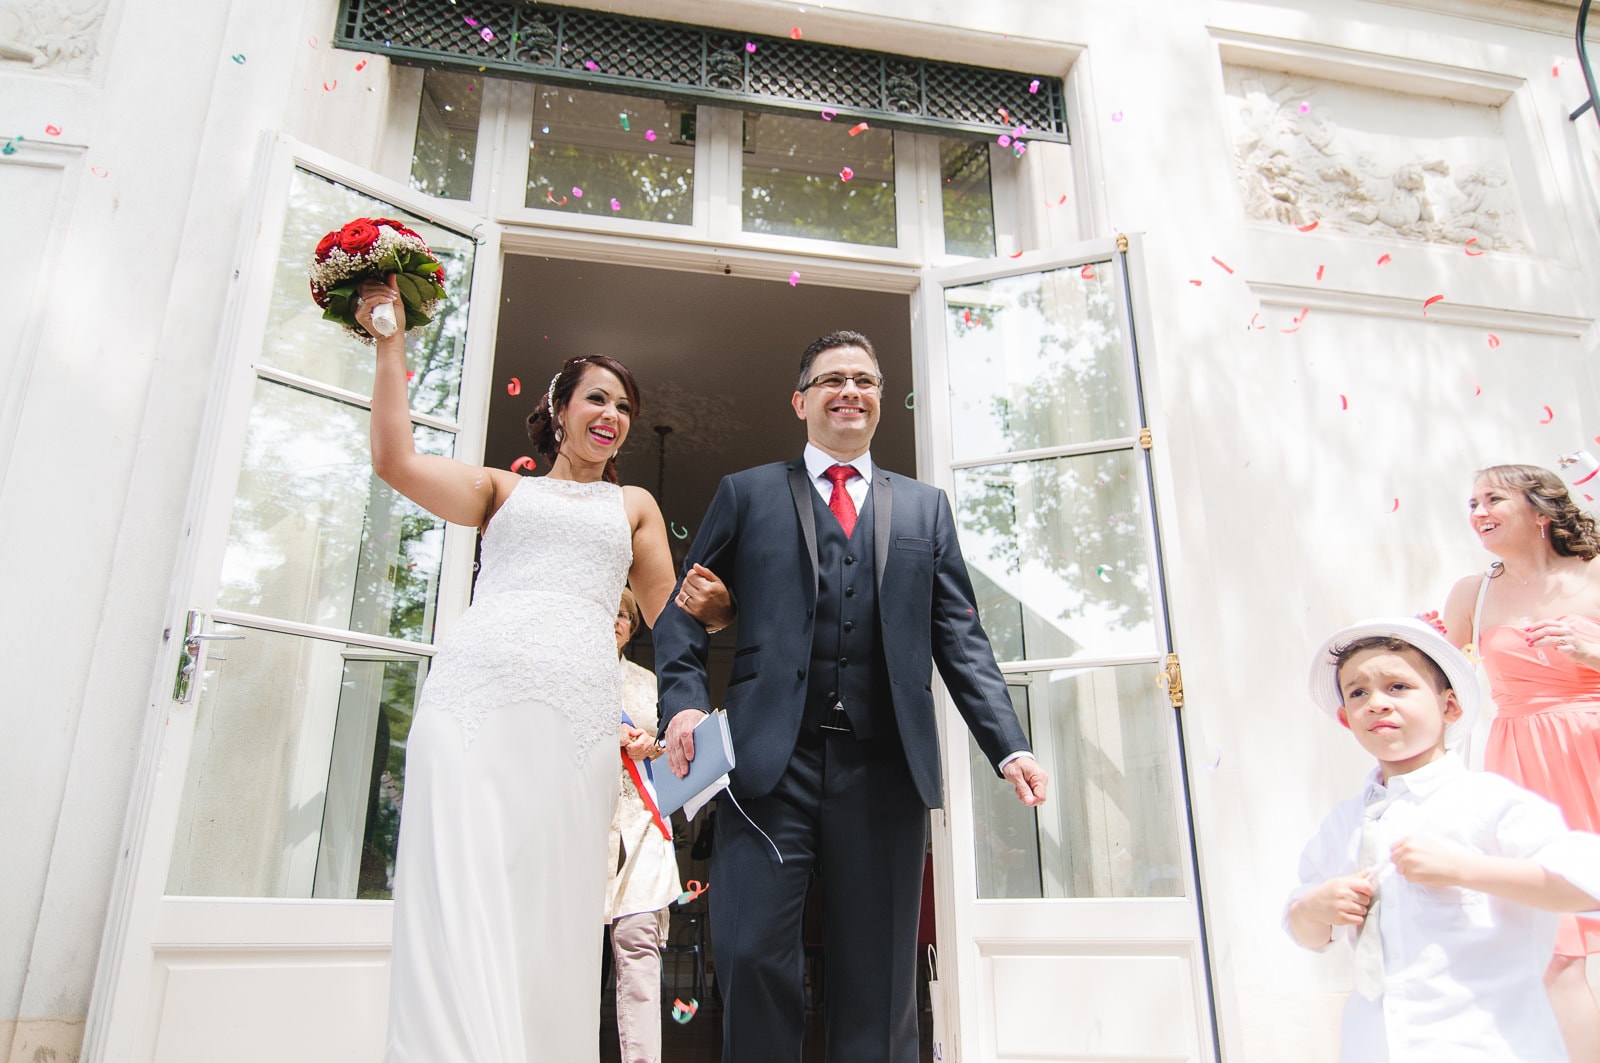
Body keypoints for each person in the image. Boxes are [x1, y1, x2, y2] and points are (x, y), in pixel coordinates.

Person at [351, 279, 729, 1062]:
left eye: (623, 405)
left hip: (574, 724)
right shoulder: (499, 489)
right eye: (597, 397)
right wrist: (391, 341)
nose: (613, 415)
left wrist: (722, 609)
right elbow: (393, 459)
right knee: (457, 885)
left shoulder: (636, 507)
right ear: (560, 409)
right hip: (472, 702)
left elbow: (678, 619)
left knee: (551, 903)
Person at [652, 329, 1050, 1063]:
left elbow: (960, 637)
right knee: (747, 953)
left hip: (883, 770)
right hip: (770, 767)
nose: (851, 391)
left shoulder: (926, 510)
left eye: (866, 380)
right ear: (801, 400)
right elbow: (681, 613)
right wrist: (680, 702)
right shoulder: (747, 493)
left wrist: (1010, 743)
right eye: (833, 378)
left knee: (880, 978)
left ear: (878, 403)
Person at [1287, 617, 1600, 1063]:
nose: (1377, 703)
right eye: (1358, 693)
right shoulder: (1344, 822)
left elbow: (1587, 881)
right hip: (1375, 1043)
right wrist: (1315, 907)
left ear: (1450, 707)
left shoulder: (1491, 803)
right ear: (1345, 718)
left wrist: (1466, 871)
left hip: (1487, 1043)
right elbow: (1308, 932)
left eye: (1398, 687)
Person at [1441, 463, 1600, 1060]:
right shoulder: (1471, 593)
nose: (1478, 511)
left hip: (1594, 746)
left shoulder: (1596, 574)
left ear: (1541, 512)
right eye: (1472, 501)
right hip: (1524, 769)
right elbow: (1436, 680)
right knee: (1554, 947)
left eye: (1494, 499)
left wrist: (1592, 652)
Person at [608, 587, 681, 1063]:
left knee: (638, 948)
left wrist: (650, 744)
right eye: (608, 611)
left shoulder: (647, 682)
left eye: (625, 615)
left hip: (639, 829)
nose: (616, 620)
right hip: (577, 828)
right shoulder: (563, 676)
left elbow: (669, 741)